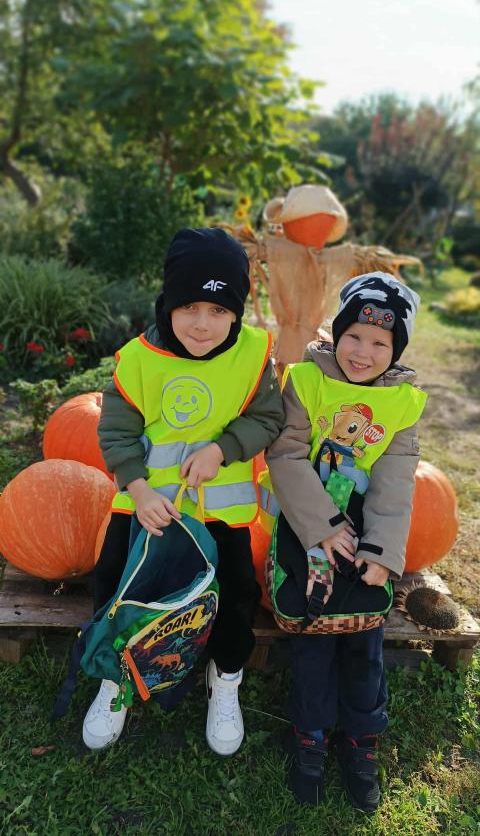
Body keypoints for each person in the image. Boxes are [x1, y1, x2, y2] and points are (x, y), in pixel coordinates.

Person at [83, 227, 284, 754]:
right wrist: (139, 490)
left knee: (236, 595)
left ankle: (226, 676)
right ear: (167, 302)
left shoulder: (253, 356)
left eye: (218, 310)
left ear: (236, 313)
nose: (202, 323)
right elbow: (116, 433)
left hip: (222, 513)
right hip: (146, 506)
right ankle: (116, 676)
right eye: (189, 306)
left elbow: (267, 418)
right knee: (115, 583)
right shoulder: (138, 360)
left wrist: (223, 449)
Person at [266, 272, 427, 811]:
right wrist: (325, 526)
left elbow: (395, 483)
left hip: (365, 537)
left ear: (395, 350)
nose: (362, 352)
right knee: (312, 638)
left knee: (364, 642)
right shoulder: (306, 381)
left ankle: (362, 739)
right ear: (336, 334)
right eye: (353, 336)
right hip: (308, 524)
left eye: (380, 343)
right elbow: (286, 455)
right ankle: (309, 735)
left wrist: (381, 552)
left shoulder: (402, 404)